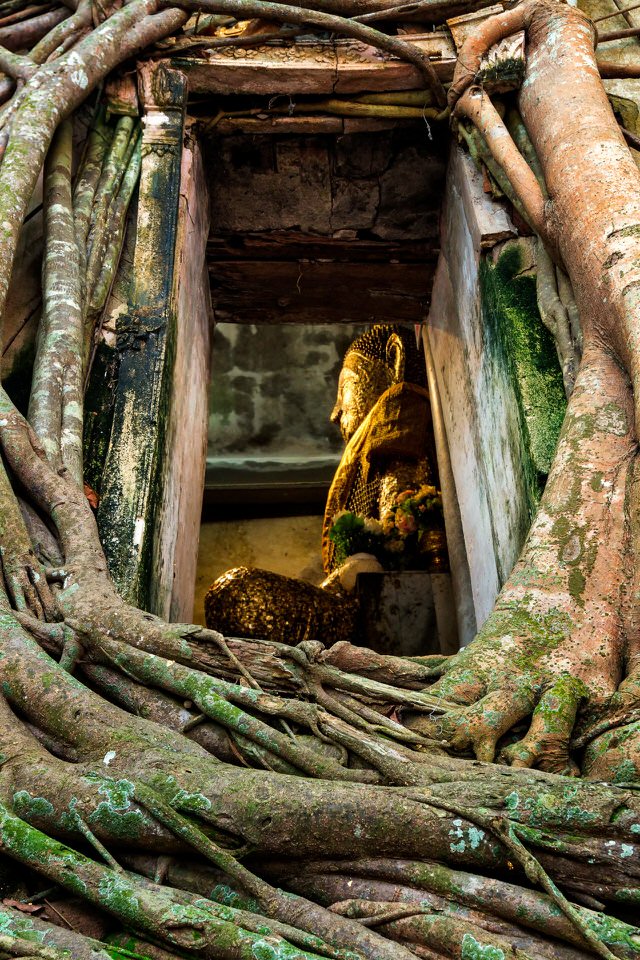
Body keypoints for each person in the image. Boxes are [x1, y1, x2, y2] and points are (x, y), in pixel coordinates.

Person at [204, 324, 448, 649]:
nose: (335, 412)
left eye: (345, 388)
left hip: (378, 608)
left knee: (237, 592)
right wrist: (334, 582)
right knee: (229, 592)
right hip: (351, 601)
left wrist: (343, 579)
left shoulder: (394, 434)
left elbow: (395, 545)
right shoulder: (366, 455)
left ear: (394, 359)